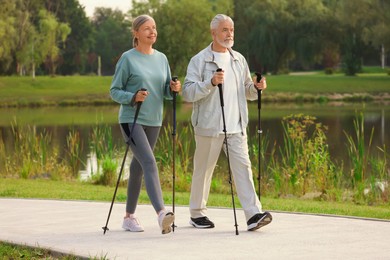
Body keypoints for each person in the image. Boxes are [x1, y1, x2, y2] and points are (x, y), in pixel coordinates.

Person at [182, 14, 272, 231]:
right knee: (203, 171)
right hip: (208, 125)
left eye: (231, 30)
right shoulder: (199, 60)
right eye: (224, 30)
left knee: (244, 168)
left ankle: (253, 215)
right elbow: (187, 93)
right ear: (213, 33)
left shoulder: (238, 59)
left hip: (236, 126)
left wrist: (256, 88)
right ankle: (197, 214)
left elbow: (247, 91)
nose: (229, 33)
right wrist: (210, 82)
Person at [110, 14, 181, 235]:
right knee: (149, 161)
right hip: (132, 119)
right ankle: (161, 214)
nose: (152, 32)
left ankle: (129, 217)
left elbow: (165, 92)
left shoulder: (162, 58)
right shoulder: (127, 58)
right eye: (147, 28)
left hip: (154, 120)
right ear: (136, 33)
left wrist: (174, 89)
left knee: (138, 166)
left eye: (154, 28)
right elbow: (114, 91)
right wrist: (132, 97)